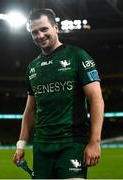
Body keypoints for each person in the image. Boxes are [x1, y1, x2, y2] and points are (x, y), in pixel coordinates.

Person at [13, 8, 104, 179]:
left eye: (44, 29)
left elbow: (96, 99)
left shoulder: (78, 56)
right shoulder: (32, 68)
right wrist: (21, 144)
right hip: (42, 146)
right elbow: (30, 110)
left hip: (71, 143)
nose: (39, 35)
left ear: (56, 27)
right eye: (34, 32)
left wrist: (94, 141)